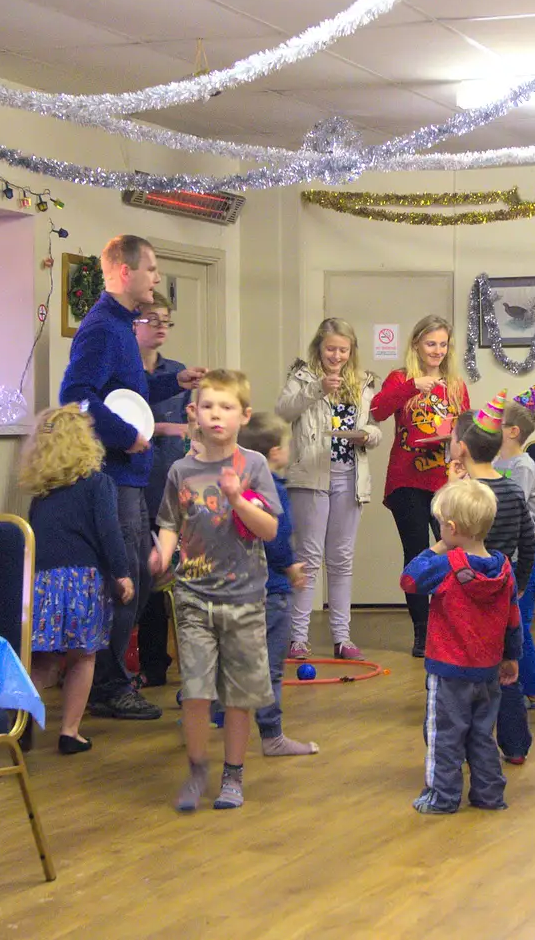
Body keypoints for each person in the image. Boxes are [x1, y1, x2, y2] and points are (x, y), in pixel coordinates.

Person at [62, 234, 205, 721]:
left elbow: (128, 388)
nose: (157, 277)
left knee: (141, 578)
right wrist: (126, 435)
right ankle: (107, 683)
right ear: (124, 272)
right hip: (115, 472)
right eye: (151, 268)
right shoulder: (102, 327)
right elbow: (77, 396)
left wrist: (172, 382)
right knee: (127, 578)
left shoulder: (121, 327)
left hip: (132, 473)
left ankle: (108, 680)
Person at [151, 370, 279, 812]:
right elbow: (169, 522)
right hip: (192, 598)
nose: (216, 415)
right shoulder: (180, 470)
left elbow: (269, 529)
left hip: (244, 598)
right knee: (196, 689)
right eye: (208, 406)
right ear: (194, 413)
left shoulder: (254, 466)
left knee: (239, 696)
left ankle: (234, 774)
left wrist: (240, 499)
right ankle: (196, 768)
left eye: (226, 407)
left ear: (243, 415)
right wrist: (162, 553)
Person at [19, 405, 135, 755]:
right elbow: (109, 533)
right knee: (83, 657)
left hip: (42, 584)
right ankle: (70, 731)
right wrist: (123, 572)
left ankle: (19, 723)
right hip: (82, 581)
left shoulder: (41, 497)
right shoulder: (98, 484)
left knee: (44, 661)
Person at [400, 479, 519, 814]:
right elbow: (513, 619)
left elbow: (409, 580)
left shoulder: (444, 565)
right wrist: (512, 657)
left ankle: (443, 797)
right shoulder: (503, 568)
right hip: (487, 671)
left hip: (448, 671)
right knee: (482, 735)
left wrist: (438, 547)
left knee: (445, 736)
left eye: (441, 526)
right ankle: (489, 794)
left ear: (451, 528)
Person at [274, 318, 381, 661]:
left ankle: (342, 637)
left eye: (343, 350)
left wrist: (369, 435)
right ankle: (298, 638)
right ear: (319, 347)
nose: (337, 356)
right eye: (331, 349)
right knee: (307, 557)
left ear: (352, 352)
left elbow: (374, 427)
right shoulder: (302, 377)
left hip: (349, 475)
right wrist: (317, 387)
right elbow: (283, 411)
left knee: (341, 559)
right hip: (311, 475)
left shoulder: (363, 383)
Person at [370, 315, 470, 657]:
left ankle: (451, 626)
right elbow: (378, 411)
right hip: (407, 479)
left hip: (446, 480)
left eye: (443, 344)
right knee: (416, 553)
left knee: (454, 552)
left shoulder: (455, 384)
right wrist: (413, 387)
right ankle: (422, 632)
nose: (438, 351)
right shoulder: (401, 378)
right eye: (431, 344)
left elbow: (465, 429)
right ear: (416, 344)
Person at [450, 395, 535, 764]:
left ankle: (461, 745)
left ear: (463, 448)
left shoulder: (462, 495)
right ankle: (515, 746)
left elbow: (448, 545)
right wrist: (516, 585)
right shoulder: (513, 491)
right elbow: (527, 546)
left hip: (464, 596)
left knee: (460, 670)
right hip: (502, 591)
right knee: (506, 668)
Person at [237, 412, 320, 757]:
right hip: (271, 591)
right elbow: (277, 537)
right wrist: (290, 566)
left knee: (237, 661)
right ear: (274, 452)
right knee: (270, 667)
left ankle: (217, 716)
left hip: (239, 590)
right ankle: (272, 735)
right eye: (286, 445)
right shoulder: (274, 490)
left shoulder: (238, 487)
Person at [137, 291, 190, 687]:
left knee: (165, 576)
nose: (160, 328)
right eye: (152, 319)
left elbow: (188, 429)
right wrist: (163, 428)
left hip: (170, 489)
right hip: (133, 486)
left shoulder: (178, 371)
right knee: (138, 577)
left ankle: (159, 665)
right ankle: (129, 667)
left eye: (166, 321)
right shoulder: (122, 373)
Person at [495, 379, 535, 709]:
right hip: (502, 555)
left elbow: (520, 512)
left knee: (520, 625)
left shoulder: (522, 466)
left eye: (497, 422)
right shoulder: (495, 463)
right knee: (504, 626)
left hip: (522, 557)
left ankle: (529, 689)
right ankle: (508, 684)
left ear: (512, 431)